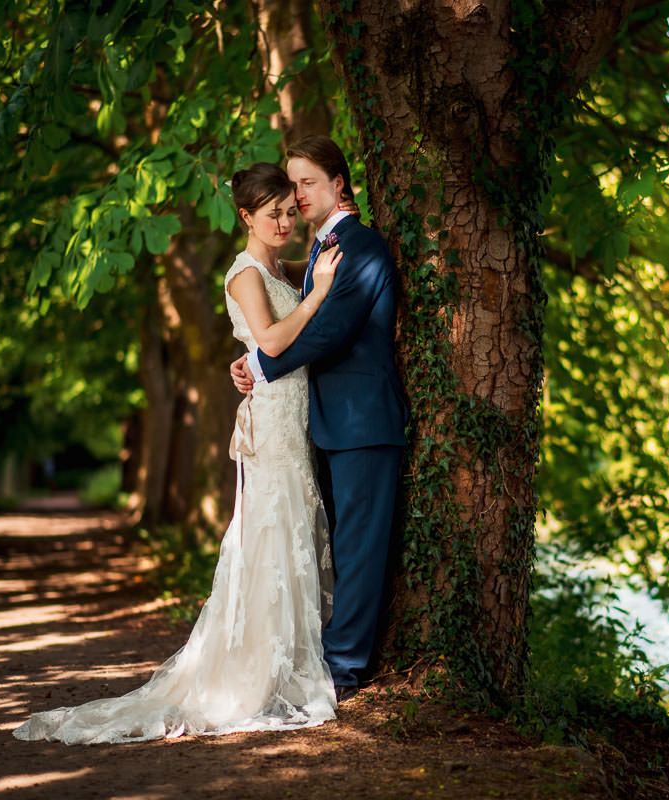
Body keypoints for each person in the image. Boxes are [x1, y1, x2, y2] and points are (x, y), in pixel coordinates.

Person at [13, 163, 346, 744]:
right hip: (272, 422)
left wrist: (266, 338)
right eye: (274, 215)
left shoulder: (279, 265)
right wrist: (315, 296)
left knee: (288, 525)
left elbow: (263, 340)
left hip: (292, 409)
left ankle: (290, 658)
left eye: (291, 211)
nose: (287, 222)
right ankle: (259, 670)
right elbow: (269, 338)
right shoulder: (245, 271)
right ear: (246, 217)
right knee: (270, 527)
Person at [231, 136, 407, 702]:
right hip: (327, 423)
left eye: (307, 182)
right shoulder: (319, 251)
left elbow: (330, 331)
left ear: (339, 183)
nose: (297, 194)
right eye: (291, 184)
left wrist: (261, 361)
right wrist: (256, 355)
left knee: (358, 549)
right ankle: (325, 658)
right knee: (336, 546)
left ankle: (346, 671)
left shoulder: (361, 247)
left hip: (363, 422)